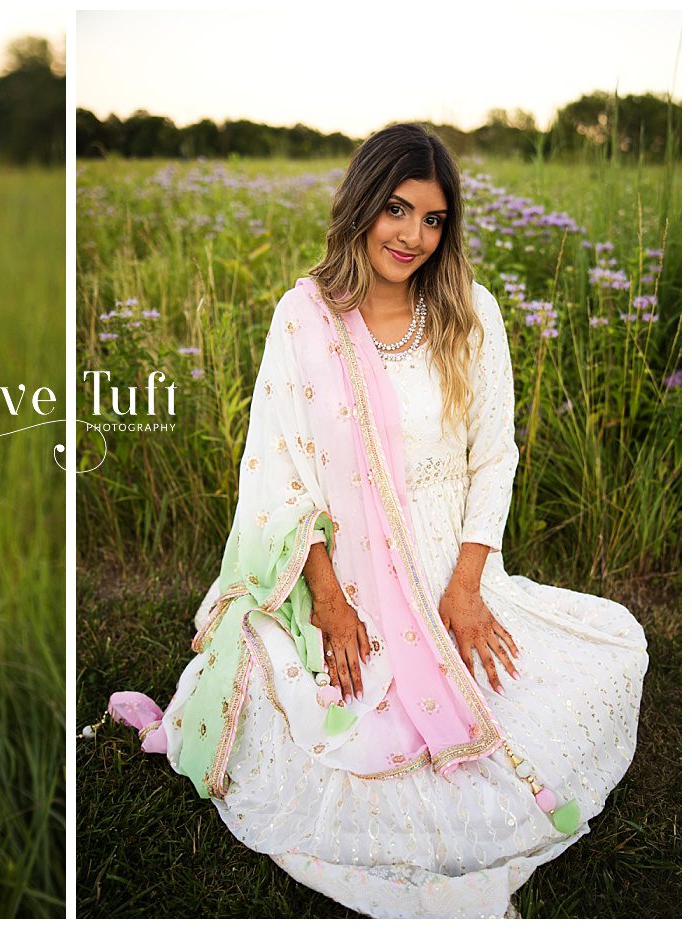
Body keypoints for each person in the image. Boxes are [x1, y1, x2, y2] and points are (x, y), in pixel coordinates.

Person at [105, 123, 647, 918]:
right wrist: (328, 599)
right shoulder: (306, 319)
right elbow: (281, 475)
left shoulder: (471, 315)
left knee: (602, 657)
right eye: (397, 209)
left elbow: (494, 457)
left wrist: (467, 587)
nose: (413, 236)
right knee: (306, 728)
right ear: (363, 203)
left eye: (433, 219)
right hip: (347, 568)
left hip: (449, 564)